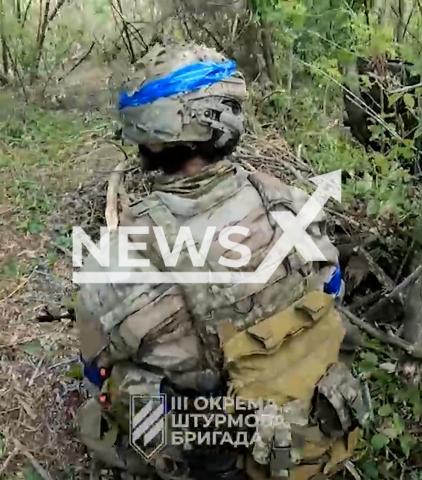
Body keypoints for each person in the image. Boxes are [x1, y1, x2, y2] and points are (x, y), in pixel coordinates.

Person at [75, 43, 368, 480]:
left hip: (221, 450)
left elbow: (95, 369)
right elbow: (331, 290)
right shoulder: (289, 202)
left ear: (145, 134)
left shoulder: (112, 260)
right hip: (317, 417)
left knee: (102, 408)